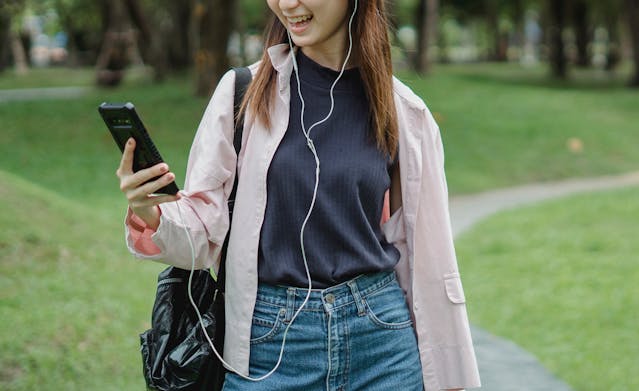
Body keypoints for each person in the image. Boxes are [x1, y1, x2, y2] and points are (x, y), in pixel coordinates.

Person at [116, 0, 481, 390]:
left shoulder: (404, 113)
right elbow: (204, 232)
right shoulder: (241, 93)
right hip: (269, 348)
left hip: (381, 340)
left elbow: (429, 259)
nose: (287, 4)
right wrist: (151, 212)